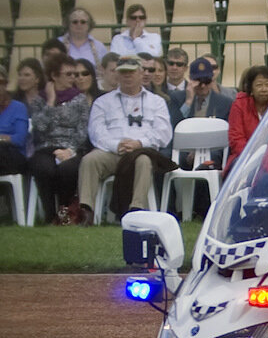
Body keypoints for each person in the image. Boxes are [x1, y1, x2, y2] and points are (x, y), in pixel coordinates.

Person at [76, 55, 173, 223]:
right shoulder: (102, 102)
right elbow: (96, 131)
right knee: (90, 160)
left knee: (143, 160)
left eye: (131, 72)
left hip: (141, 151)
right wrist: (116, 145)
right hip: (112, 151)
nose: (127, 76)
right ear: (117, 75)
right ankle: (86, 211)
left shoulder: (157, 102)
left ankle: (136, 211)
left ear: (141, 73)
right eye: (123, 72)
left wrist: (139, 143)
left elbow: (164, 132)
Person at [26, 53, 91, 223]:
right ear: (54, 76)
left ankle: (64, 213)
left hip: (71, 149)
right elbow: (39, 127)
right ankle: (49, 215)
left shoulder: (80, 99)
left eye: (74, 74)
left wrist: (69, 150)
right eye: (68, 74)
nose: (73, 78)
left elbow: (82, 130)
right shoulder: (40, 99)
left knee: (67, 169)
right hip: (45, 148)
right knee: (44, 168)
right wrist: (50, 101)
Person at [225, 66, 268, 172]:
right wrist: (253, 157)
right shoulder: (239, 105)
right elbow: (236, 138)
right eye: (259, 85)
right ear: (250, 88)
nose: (264, 89)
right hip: (244, 156)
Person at [174, 57, 233, 121]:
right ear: (190, 79)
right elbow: (175, 123)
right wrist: (188, 102)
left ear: (212, 79)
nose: (203, 86)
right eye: (199, 81)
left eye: (206, 81)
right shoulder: (177, 98)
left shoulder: (225, 103)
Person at [0, 65, 30, 179]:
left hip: (13, 156)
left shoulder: (18, 107)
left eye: (1, 82)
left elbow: (20, 139)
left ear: (6, 84)